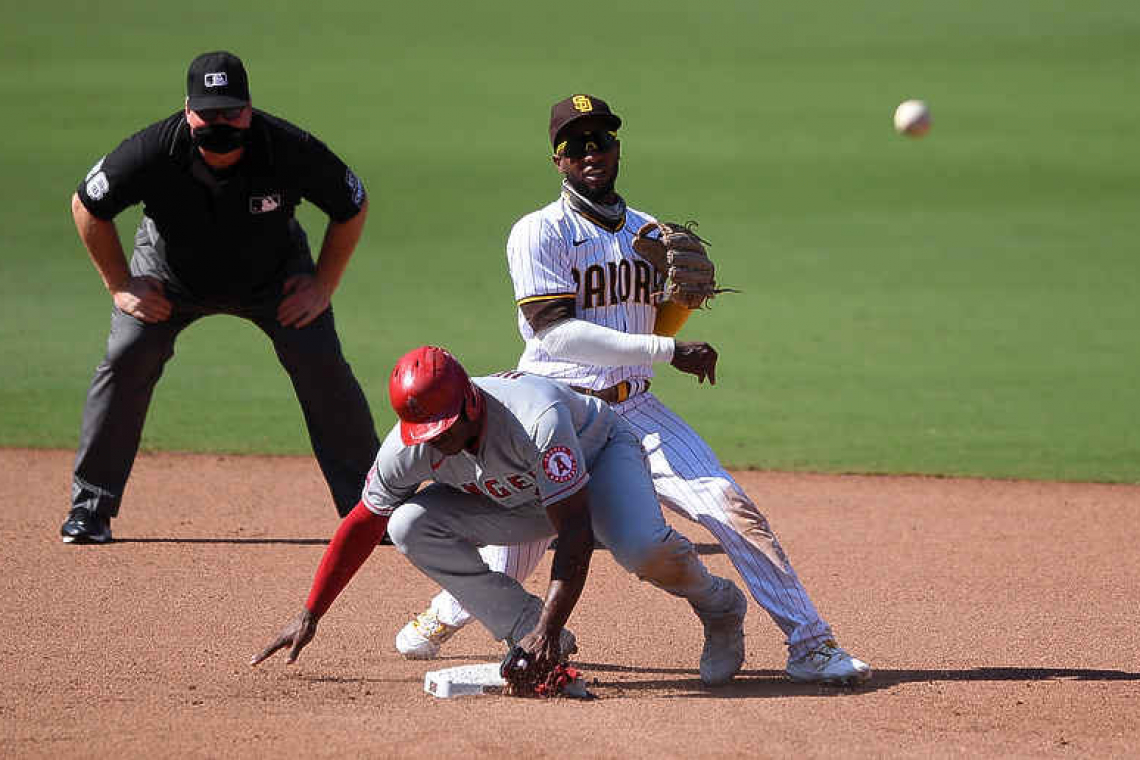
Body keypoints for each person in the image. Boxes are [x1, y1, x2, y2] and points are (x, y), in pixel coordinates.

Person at [394, 94, 872, 685]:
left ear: (618, 149)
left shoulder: (649, 232)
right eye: (576, 144)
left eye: (602, 140)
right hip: (551, 405)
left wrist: (678, 310)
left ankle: (811, 644)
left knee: (729, 507)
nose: (591, 152)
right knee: (519, 548)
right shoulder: (537, 233)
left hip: (637, 407)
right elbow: (558, 333)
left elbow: (648, 323)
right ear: (557, 159)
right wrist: (669, 349)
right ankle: (450, 609)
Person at [251, 346, 748, 687]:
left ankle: (719, 605)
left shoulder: (534, 419)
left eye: (442, 430)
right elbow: (365, 522)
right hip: (522, 495)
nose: (434, 442)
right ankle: (521, 625)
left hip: (598, 464)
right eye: (422, 433)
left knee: (640, 548)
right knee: (408, 524)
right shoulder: (407, 448)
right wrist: (311, 611)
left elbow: (574, 531)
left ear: (470, 400)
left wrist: (551, 628)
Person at [60, 51, 379, 544]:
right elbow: (87, 204)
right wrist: (121, 285)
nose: (220, 122)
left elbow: (351, 204)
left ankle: (368, 511)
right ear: (188, 110)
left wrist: (322, 283)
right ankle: (90, 508)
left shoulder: (286, 147)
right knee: (128, 352)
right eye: (208, 113)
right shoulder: (151, 150)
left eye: (231, 111)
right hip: (168, 276)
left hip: (274, 277)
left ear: (249, 110)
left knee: (319, 360)